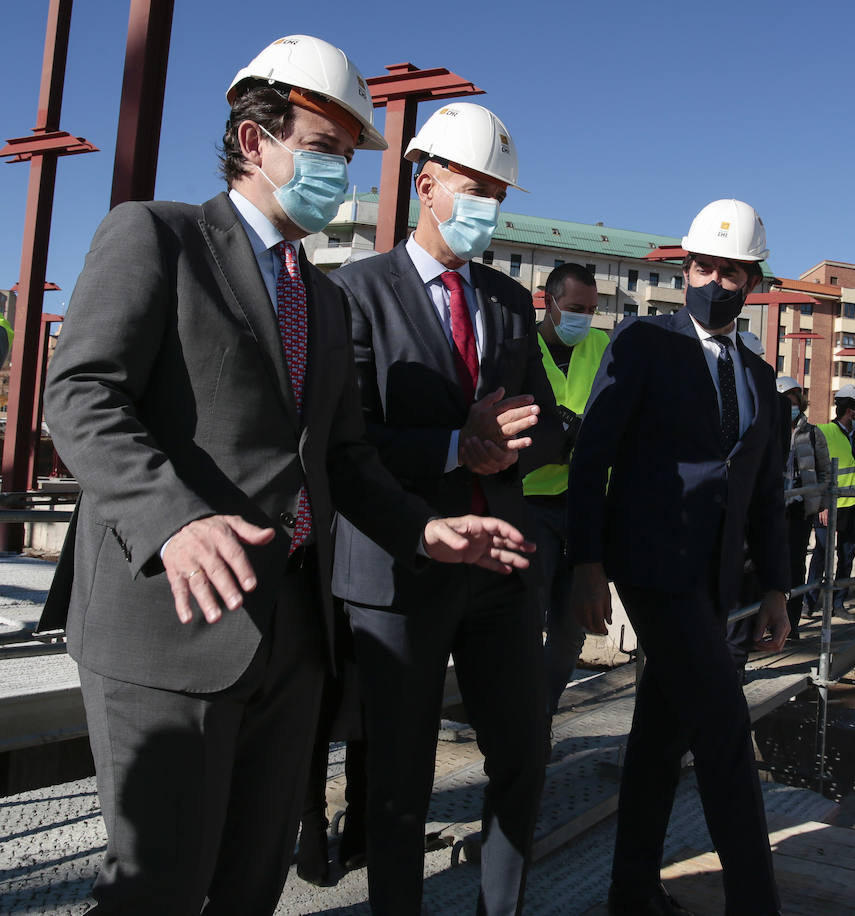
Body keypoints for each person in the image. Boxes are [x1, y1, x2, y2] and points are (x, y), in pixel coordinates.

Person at [36, 36, 532, 916]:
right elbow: (77, 395)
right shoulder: (159, 237)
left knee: (248, 884)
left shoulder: (325, 298)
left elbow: (342, 458)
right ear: (254, 139)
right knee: (159, 886)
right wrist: (174, 517)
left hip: (294, 634)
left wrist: (424, 529)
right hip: (168, 623)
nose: (338, 171)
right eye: (323, 148)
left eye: (347, 154)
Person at [328, 102, 558, 915]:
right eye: (476, 188)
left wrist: (518, 442)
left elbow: (537, 415)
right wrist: (461, 446)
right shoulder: (354, 293)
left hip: (497, 569)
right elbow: (347, 438)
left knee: (525, 758)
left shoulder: (505, 299)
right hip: (401, 569)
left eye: (500, 192)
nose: (489, 207)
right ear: (426, 186)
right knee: (397, 781)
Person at [568, 199, 789, 916]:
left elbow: (765, 497)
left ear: (752, 282)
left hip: (717, 579)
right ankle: (755, 904)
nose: (714, 281)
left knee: (661, 737)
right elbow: (591, 456)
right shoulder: (642, 343)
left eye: (731, 271)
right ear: (684, 267)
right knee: (724, 732)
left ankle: (630, 892)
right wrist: (587, 561)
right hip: (653, 567)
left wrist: (779, 589)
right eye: (703, 266)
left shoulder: (761, 383)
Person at [523, 263, 609, 718]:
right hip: (529, 502)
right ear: (548, 301)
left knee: (571, 629)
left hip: (584, 504)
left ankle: (540, 714)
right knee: (523, 618)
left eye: (592, 310)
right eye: (576, 308)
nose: (585, 318)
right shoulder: (518, 343)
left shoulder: (603, 347)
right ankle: (520, 722)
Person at [778, 376, 830, 636]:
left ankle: (792, 622)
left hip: (799, 508)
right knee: (767, 562)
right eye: (784, 402)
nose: (790, 407)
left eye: (793, 402)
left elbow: (824, 471)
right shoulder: (766, 429)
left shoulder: (812, 433)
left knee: (795, 563)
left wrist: (821, 502)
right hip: (772, 506)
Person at [815, 384, 855, 618]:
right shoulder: (823, 432)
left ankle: (838, 604)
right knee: (821, 556)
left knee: (846, 559)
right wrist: (822, 505)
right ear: (850, 411)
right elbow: (816, 472)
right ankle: (809, 602)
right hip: (830, 506)